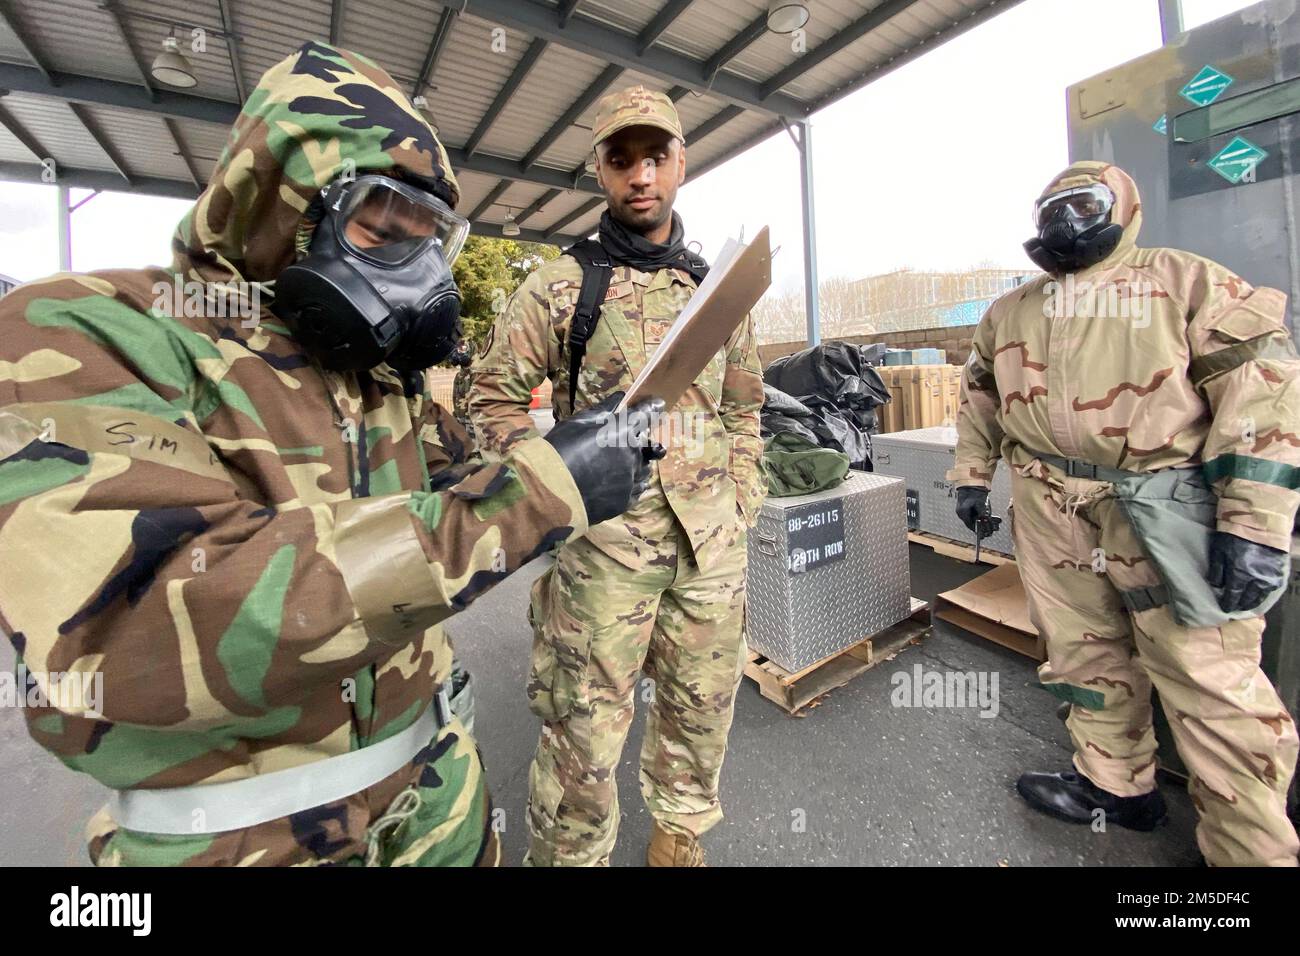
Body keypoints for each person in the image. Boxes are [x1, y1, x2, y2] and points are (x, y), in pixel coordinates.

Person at [0, 41, 660, 867]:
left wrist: (584, 450)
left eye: (433, 240)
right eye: (385, 226)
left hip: (437, 801)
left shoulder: (380, 383)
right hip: (238, 842)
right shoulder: (84, 331)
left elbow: (468, 484)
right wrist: (538, 496)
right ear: (280, 206)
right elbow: (131, 623)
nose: (418, 272)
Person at [951, 160, 1299, 866]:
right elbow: (980, 394)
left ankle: (1250, 851)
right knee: (1081, 650)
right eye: (1050, 205)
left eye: (1083, 202)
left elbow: (1261, 396)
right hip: (1049, 505)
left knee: (1208, 675)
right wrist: (970, 474)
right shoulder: (1011, 311)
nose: (1063, 216)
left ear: (1124, 207)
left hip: (1165, 505)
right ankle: (1116, 787)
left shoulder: (1185, 282)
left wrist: (1254, 525)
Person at [469, 85, 765, 866]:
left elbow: (745, 411)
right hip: (603, 551)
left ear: (681, 163)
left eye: (657, 157)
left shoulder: (716, 285)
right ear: (599, 169)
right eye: (622, 159)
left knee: (701, 712)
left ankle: (678, 835)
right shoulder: (562, 283)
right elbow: (489, 395)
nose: (642, 176)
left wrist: (742, 501)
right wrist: (549, 486)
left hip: (710, 550)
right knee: (583, 736)